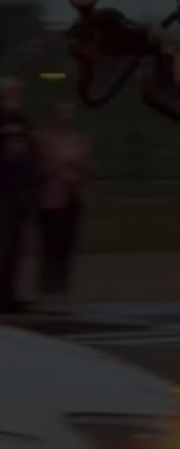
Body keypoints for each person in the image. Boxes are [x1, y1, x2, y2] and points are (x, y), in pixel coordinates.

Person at [33, 101, 92, 311]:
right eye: (61, 112)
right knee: (50, 246)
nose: (66, 116)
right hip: (50, 199)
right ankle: (46, 290)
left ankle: (62, 290)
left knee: (67, 246)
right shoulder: (43, 138)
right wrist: (53, 169)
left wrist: (79, 172)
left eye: (69, 112)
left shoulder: (81, 140)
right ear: (54, 115)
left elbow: (88, 169)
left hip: (72, 197)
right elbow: (36, 166)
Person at [0, 77, 38, 313]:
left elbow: (30, 154)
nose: (15, 97)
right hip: (2, 188)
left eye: (17, 93)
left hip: (19, 189)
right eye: (11, 93)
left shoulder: (22, 121)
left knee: (15, 245)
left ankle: (9, 293)